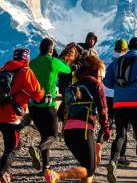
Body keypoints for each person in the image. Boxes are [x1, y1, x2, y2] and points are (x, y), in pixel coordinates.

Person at [45, 55, 110, 183]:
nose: (103, 77)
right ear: (98, 71)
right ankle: (57, 175)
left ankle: (57, 175)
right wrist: (106, 128)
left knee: (85, 166)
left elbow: (60, 113)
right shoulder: (96, 84)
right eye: (103, 73)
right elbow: (103, 109)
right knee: (90, 169)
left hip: (68, 132)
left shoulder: (74, 85)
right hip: (84, 131)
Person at [0, 48, 44, 182]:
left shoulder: (4, 70)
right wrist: (43, 93)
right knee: (13, 147)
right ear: (26, 58)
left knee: (14, 144)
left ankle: (6, 175)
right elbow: (38, 95)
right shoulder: (26, 71)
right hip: (12, 115)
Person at [104, 37, 137, 182]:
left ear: (129, 47)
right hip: (136, 103)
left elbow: (107, 81)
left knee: (120, 135)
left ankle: (113, 161)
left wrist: (120, 88)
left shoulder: (117, 61)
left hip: (119, 103)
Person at [29, 38, 72, 172]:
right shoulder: (54, 62)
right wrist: (57, 58)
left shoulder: (32, 63)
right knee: (53, 135)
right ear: (51, 50)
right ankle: (38, 149)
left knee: (44, 135)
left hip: (33, 106)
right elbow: (68, 70)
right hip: (48, 105)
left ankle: (46, 166)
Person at [97, 40, 128, 167]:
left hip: (106, 95)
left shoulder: (106, 62)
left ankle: (98, 142)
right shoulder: (125, 62)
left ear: (114, 48)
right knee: (123, 127)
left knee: (107, 121)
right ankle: (121, 156)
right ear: (126, 50)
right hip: (120, 96)